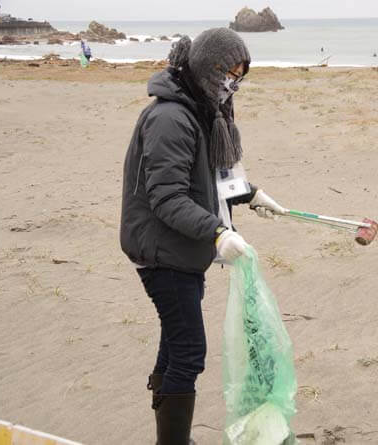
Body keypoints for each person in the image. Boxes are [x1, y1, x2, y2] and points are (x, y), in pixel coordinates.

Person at [120, 28, 286, 445]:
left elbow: (210, 176)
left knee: (175, 343)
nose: (232, 83)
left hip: (182, 247)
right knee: (190, 351)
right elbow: (167, 196)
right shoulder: (171, 117)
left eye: (239, 75)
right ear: (205, 67)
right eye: (227, 72)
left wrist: (251, 195)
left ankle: (169, 436)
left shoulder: (203, 109)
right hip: (162, 249)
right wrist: (216, 233)